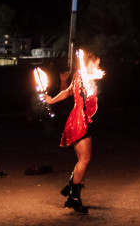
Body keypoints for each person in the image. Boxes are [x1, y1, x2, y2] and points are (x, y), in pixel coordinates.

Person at [44, 49, 103, 213]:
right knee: (84, 159)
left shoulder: (81, 77)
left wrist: (52, 100)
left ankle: (71, 190)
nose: (99, 65)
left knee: (83, 160)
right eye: (97, 62)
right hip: (80, 120)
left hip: (79, 118)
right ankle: (73, 197)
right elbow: (73, 92)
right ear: (89, 64)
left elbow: (68, 91)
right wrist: (51, 100)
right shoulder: (84, 78)